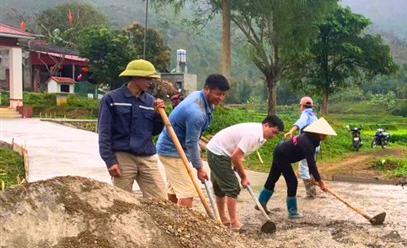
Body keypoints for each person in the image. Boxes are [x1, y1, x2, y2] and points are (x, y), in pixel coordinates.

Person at [156, 74, 230, 207]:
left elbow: (192, 141)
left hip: (174, 148)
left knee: (174, 189)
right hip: (172, 151)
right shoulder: (196, 112)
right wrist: (199, 168)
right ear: (207, 89)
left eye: (223, 94)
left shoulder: (199, 97)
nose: (221, 98)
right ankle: (184, 226)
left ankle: (169, 219)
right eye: (218, 94)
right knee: (187, 192)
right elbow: (191, 143)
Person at [97, 59, 167, 200]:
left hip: (146, 156)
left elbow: (154, 131)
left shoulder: (150, 101)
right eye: (147, 78)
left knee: (161, 200)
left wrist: (159, 115)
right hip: (123, 157)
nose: (150, 82)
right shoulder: (111, 99)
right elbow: (104, 133)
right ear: (135, 77)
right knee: (122, 202)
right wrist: (110, 161)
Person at [206, 115, 284, 231]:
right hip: (218, 153)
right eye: (273, 132)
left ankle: (223, 218)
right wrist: (244, 176)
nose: (273, 136)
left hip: (221, 152)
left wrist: (237, 166)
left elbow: (238, 155)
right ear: (266, 125)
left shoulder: (260, 136)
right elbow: (236, 156)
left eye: (276, 134)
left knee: (221, 187)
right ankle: (234, 223)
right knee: (232, 187)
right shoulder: (253, 134)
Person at [258, 117, 334, 218]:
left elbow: (311, 162)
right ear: (319, 133)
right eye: (325, 134)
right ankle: (292, 211)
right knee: (292, 181)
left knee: (273, 177)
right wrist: (320, 182)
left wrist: (313, 177)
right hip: (282, 154)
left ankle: (261, 203)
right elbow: (311, 164)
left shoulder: (310, 139)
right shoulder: (307, 142)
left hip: (279, 151)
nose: (326, 136)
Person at [284, 97, 319, 198]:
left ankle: (311, 192)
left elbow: (300, 122)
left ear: (302, 106)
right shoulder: (314, 116)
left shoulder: (305, 114)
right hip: (315, 147)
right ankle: (313, 191)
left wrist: (291, 131)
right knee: (310, 167)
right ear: (311, 106)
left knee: (303, 169)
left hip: (306, 147)